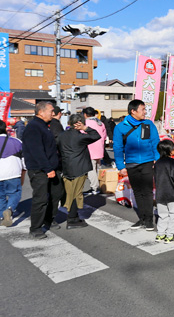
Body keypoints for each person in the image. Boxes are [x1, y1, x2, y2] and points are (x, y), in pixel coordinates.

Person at [112, 99, 160, 231]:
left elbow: (156, 142)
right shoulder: (120, 127)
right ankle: (142, 219)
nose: (145, 112)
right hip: (131, 164)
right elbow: (117, 147)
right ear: (133, 111)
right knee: (137, 192)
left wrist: (157, 159)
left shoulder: (149, 124)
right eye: (143, 109)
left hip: (147, 162)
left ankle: (149, 220)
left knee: (147, 191)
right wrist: (121, 166)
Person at [22, 101, 62, 239]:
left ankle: (49, 218)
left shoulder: (45, 126)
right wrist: (47, 168)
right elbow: (36, 151)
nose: (53, 113)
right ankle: (35, 228)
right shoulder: (33, 127)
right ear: (41, 112)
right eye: (51, 110)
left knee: (55, 194)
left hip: (51, 168)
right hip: (39, 169)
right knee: (41, 198)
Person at [57, 114, 101, 229]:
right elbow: (96, 135)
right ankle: (72, 219)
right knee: (77, 194)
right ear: (79, 124)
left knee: (70, 193)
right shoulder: (80, 137)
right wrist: (84, 128)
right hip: (79, 168)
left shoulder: (61, 136)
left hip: (67, 167)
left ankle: (73, 216)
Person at [153, 139, 174, 243]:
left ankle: (160, 234)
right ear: (170, 150)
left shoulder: (157, 163)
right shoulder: (173, 162)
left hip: (160, 194)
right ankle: (170, 235)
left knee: (162, 215)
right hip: (172, 193)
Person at [0, 120, 26, 227]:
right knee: (14, 193)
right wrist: (24, 169)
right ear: (5, 129)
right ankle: (9, 210)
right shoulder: (16, 141)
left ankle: (2, 216)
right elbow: (24, 159)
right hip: (13, 172)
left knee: (0, 196)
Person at [83, 107, 108, 195]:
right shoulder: (100, 122)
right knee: (98, 168)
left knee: (91, 169)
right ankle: (99, 185)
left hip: (90, 148)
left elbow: (82, 135)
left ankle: (94, 188)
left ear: (85, 114)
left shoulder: (86, 123)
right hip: (100, 148)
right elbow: (104, 136)